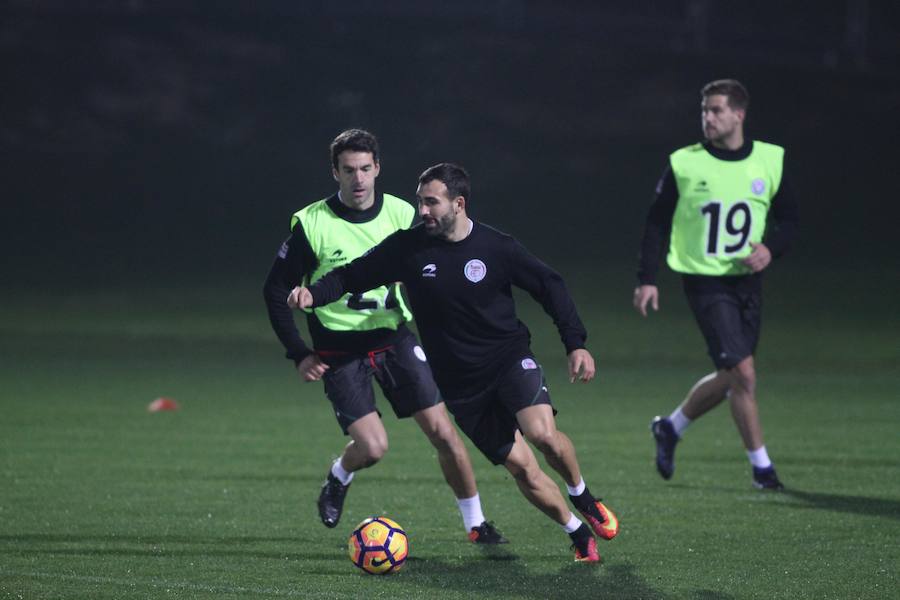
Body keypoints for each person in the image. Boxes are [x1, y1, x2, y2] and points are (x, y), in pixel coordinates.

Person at [288, 162, 620, 563]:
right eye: (419, 201)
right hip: (462, 386)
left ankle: (581, 493)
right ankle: (577, 533)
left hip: (507, 359)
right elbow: (350, 276)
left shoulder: (497, 247)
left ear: (458, 204)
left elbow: (549, 285)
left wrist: (576, 343)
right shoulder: (407, 248)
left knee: (542, 433)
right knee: (522, 468)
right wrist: (313, 294)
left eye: (431, 202)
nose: (422, 210)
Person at [263, 130, 506, 544]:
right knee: (374, 448)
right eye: (348, 170)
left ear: (377, 169)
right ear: (334, 173)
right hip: (339, 350)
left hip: (394, 338)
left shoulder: (401, 213)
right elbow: (273, 288)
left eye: (364, 169)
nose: (357, 179)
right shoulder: (313, 224)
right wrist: (298, 352)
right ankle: (340, 474)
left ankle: (476, 524)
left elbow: (435, 264)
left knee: (444, 433)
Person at [633, 79, 799, 490]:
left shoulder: (769, 159)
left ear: (739, 114)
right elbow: (656, 222)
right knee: (743, 372)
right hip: (705, 281)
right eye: (704, 110)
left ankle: (670, 427)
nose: (708, 117)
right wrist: (647, 279)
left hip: (748, 282)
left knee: (734, 375)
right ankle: (763, 471)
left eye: (717, 110)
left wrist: (770, 250)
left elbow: (791, 220)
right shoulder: (685, 163)